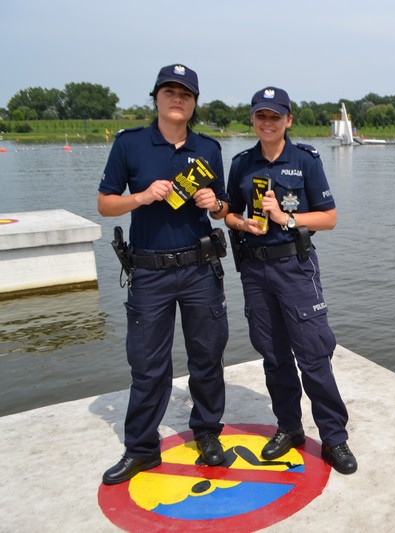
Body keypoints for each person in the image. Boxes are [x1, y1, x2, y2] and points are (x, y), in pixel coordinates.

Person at [97, 64, 230, 485]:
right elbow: (105, 204)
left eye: (186, 94)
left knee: (207, 358)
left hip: (199, 269)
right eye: (170, 92)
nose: (178, 100)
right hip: (150, 272)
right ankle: (141, 449)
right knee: (148, 366)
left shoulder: (208, 149)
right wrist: (141, 196)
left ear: (194, 103)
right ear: (155, 97)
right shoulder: (130, 145)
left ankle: (207, 433)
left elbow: (225, 209)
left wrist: (215, 204)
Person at [224, 86, 357, 474]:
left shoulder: (306, 160)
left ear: (288, 120)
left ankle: (334, 438)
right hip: (255, 269)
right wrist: (240, 222)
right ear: (253, 120)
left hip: (295, 268)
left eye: (275, 116)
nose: (268, 123)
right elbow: (228, 213)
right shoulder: (242, 164)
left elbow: (329, 218)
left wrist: (287, 218)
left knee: (314, 354)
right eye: (261, 116)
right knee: (273, 354)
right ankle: (289, 428)